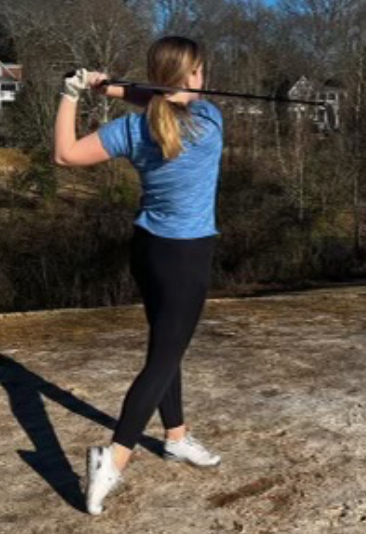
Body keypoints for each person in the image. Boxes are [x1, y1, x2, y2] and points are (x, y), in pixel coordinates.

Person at [53, 35, 224, 516]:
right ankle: (115, 458)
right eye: (198, 71)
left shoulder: (132, 130)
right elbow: (167, 102)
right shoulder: (210, 122)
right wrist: (111, 88)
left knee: (165, 348)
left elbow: (64, 154)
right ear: (189, 78)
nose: (202, 78)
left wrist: (77, 92)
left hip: (147, 250)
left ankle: (176, 436)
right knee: (165, 356)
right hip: (188, 257)